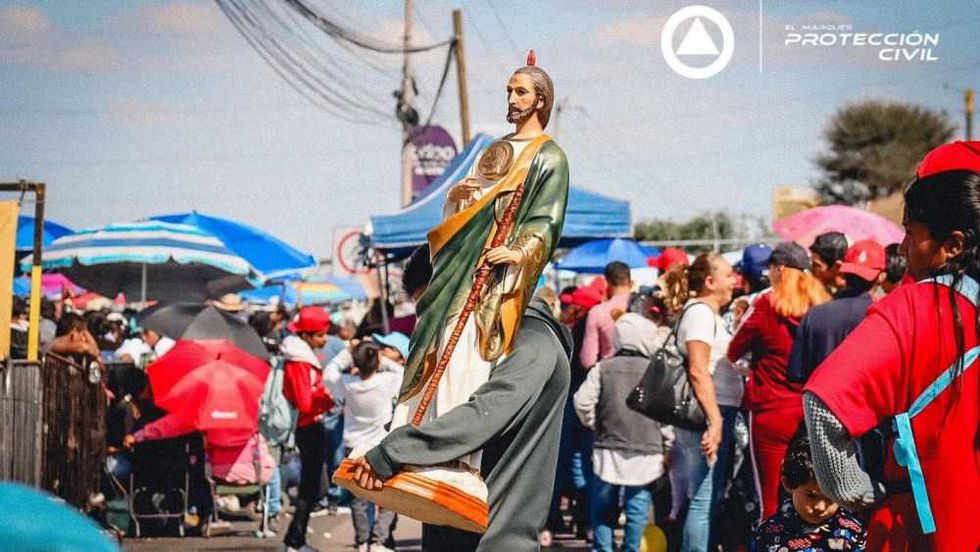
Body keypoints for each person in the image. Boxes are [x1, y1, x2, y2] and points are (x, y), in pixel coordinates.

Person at [390, 52, 568, 492]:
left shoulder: (550, 158)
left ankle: (458, 460)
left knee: (470, 360)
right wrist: (459, 200)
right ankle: (416, 443)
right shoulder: (493, 149)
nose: (511, 97)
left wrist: (520, 250)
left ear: (541, 99)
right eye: (509, 90)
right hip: (463, 269)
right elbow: (469, 208)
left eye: (520, 91)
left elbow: (546, 220)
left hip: (497, 281)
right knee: (440, 351)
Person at [804, 141, 980, 551]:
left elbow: (823, 402)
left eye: (911, 233)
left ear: (953, 244)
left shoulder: (917, 308)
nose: (902, 248)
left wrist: (856, 491)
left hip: (921, 528)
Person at [350, 293, 572, 552]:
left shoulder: (531, 339)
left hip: (494, 538)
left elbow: (483, 414)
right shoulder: (490, 335)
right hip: (457, 526)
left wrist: (395, 451)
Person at [727, 242, 829, 520]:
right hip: (812, 411)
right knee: (811, 494)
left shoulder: (764, 305)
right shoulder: (822, 305)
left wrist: (751, 371)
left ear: (779, 270)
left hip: (770, 412)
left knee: (769, 499)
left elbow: (733, 350)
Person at [661, 252, 742, 552]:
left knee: (706, 496)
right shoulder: (700, 314)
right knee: (703, 499)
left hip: (712, 411)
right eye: (728, 275)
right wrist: (716, 420)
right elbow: (698, 369)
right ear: (710, 281)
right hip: (707, 413)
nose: (734, 281)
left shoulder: (707, 314)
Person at [573, 313, 669, 552]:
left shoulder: (603, 368)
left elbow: (582, 402)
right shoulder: (656, 371)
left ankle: (603, 548)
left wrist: (596, 424)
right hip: (647, 450)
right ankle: (631, 549)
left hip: (608, 447)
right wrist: (667, 443)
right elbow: (667, 414)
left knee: (603, 507)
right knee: (637, 509)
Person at [787, 239, 885, 383]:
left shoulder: (814, 315)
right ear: (881, 277)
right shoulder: (884, 316)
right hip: (866, 402)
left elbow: (796, 374)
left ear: (843, 271)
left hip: (820, 401)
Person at [750, 431, 866, 551]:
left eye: (830, 497)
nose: (820, 507)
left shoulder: (852, 532)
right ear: (788, 483)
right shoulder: (769, 532)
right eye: (811, 495)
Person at [280, 306, 335, 552]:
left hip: (308, 426)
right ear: (307, 336)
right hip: (308, 428)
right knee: (312, 486)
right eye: (321, 335)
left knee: (312, 486)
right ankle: (295, 540)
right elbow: (305, 402)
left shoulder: (299, 356)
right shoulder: (300, 362)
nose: (325, 339)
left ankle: (296, 537)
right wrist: (330, 399)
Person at [341, 341, 401, 552]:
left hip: (354, 446)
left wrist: (348, 354)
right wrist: (381, 359)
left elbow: (329, 373)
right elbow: (402, 371)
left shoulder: (347, 383)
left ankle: (362, 541)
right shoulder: (387, 381)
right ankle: (379, 541)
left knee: (358, 498)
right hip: (381, 444)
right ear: (377, 361)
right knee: (388, 495)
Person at [580, 261, 633, 369]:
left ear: (607, 282)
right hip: (644, 376)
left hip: (609, 374)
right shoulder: (645, 306)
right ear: (629, 281)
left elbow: (588, 360)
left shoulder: (597, 312)